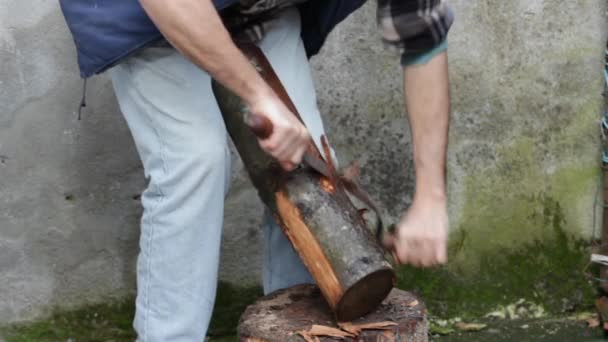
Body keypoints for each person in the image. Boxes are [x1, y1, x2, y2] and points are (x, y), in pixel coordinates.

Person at [59, 0, 453, 340]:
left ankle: (293, 332)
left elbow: (424, 39)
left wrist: (432, 198)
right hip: (147, 16)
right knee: (195, 160)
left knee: (303, 170)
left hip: (262, 10)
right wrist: (258, 96)